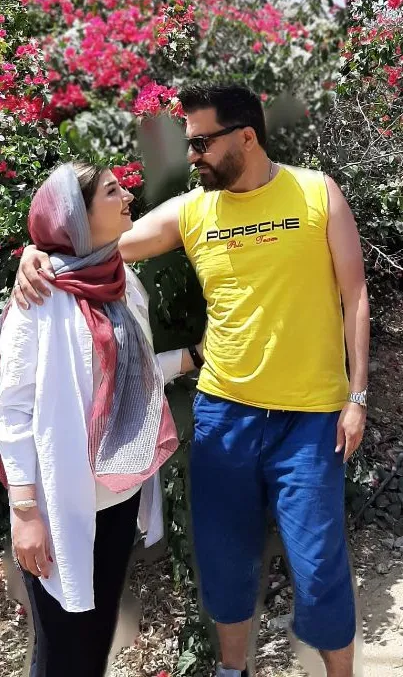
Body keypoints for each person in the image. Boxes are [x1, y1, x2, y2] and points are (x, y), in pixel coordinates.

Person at [15, 84, 369, 677]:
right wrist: (36, 252)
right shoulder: (194, 211)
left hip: (311, 420)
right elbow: (93, 244)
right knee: (225, 562)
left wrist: (357, 396)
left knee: (318, 568)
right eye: (189, 144)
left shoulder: (315, 193)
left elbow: (355, 294)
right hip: (224, 415)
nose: (193, 155)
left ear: (246, 137)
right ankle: (234, 671)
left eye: (202, 142)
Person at [0, 161, 203, 677]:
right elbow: (14, 409)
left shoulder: (122, 281)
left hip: (117, 490)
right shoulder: (39, 300)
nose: (128, 194)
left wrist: (189, 358)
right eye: (112, 191)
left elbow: (127, 379)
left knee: (95, 639)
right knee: (61, 647)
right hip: (57, 503)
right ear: (79, 218)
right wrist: (23, 512)